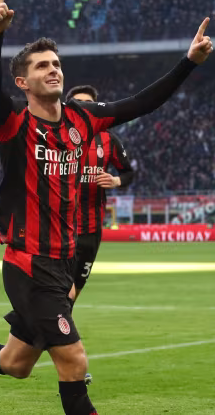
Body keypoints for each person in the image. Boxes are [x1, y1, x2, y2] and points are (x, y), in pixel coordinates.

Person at [0, 0, 213, 414]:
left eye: (56, 63)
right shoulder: (13, 124)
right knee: (74, 361)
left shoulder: (82, 119)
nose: (53, 70)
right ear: (22, 81)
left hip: (63, 260)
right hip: (28, 263)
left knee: (15, 363)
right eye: (42, 66)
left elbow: (142, 103)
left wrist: (188, 63)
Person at [65, 85, 135, 304]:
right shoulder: (56, 136)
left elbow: (128, 172)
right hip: (61, 229)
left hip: (91, 231)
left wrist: (116, 181)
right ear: (68, 108)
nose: (84, 107)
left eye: (89, 103)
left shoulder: (108, 139)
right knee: (62, 292)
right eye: (79, 103)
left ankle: (54, 324)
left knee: (75, 291)